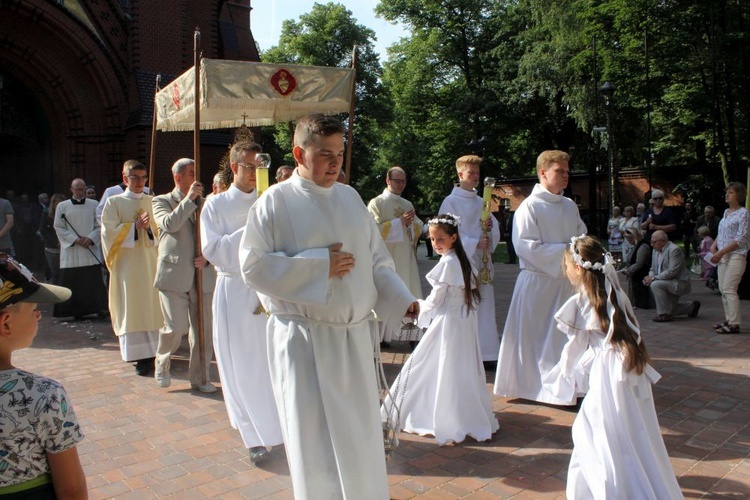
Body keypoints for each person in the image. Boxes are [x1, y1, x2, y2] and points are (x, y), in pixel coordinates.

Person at [239, 113, 419, 499]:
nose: (335, 162)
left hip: (353, 340)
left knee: (360, 438)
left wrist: (403, 301)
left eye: (339, 153)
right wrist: (319, 264)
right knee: (314, 442)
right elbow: (251, 267)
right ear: (298, 153)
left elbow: (376, 261)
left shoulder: (351, 198)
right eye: (324, 154)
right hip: (304, 341)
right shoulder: (274, 202)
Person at [544, 235, 683, 499]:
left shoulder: (582, 300)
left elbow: (575, 347)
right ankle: (616, 482)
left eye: (566, 266)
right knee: (629, 428)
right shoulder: (615, 292)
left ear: (578, 268)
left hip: (610, 374)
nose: (565, 271)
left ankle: (611, 488)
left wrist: (563, 375)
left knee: (596, 429)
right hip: (628, 368)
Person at [381, 213, 499, 445]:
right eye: (432, 239)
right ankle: (461, 412)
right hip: (463, 322)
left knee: (431, 362)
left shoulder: (448, 263)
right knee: (456, 364)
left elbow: (435, 301)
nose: (435, 244)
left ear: (454, 237)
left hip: (448, 322)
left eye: (440, 239)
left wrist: (415, 307)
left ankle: (435, 414)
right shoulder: (463, 261)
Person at [201, 141, 283, 463]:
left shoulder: (271, 200)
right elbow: (215, 250)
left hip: (269, 288)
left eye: (260, 166)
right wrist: (253, 224)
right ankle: (254, 437)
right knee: (243, 366)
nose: (255, 173)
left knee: (271, 362)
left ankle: (279, 429)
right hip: (234, 289)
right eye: (249, 166)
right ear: (234, 167)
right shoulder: (215, 205)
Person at [494, 150, 588, 405]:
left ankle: (565, 386)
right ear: (543, 173)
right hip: (539, 282)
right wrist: (568, 254)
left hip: (567, 283)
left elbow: (582, 238)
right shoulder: (529, 207)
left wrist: (581, 255)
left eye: (567, 171)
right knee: (537, 339)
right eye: (560, 171)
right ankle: (534, 387)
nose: (566, 176)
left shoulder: (570, 206)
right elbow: (525, 246)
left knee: (563, 338)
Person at [0, 254, 88, 499]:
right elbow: (71, 489)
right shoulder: (43, 395)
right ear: (5, 324)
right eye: (35, 310)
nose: (39, 316)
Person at [153, 158, 216, 393]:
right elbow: (170, 224)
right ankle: (162, 361)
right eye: (191, 173)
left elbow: (214, 234)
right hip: (174, 273)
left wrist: (208, 257)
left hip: (202, 274)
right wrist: (189, 200)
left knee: (203, 330)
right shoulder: (161, 201)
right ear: (178, 177)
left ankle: (200, 379)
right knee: (176, 327)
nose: (196, 178)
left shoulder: (207, 203)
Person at [101, 161, 163, 375]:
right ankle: (139, 358)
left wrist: (151, 228)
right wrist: (134, 228)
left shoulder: (152, 201)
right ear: (125, 178)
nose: (139, 181)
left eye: (143, 177)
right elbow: (108, 233)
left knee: (152, 306)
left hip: (150, 263)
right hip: (127, 267)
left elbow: (162, 232)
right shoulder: (114, 203)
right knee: (133, 306)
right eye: (134, 177)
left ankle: (157, 354)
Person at [439, 155, 500, 363]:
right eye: (470, 173)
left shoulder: (482, 201)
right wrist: (474, 242)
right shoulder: (451, 202)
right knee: (465, 306)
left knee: (485, 305)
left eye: (477, 173)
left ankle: (486, 353)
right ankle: (464, 353)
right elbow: (445, 233)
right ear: (460, 174)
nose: (475, 176)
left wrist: (491, 230)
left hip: (483, 263)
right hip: (463, 262)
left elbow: (492, 226)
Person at [367, 166, 424, 344]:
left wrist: (411, 226)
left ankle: (411, 335)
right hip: (386, 257)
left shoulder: (407, 204)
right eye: (397, 180)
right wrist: (398, 222)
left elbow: (417, 227)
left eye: (403, 181)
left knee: (408, 290)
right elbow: (373, 231)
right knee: (386, 293)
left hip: (405, 258)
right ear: (388, 180)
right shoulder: (376, 204)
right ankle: (382, 338)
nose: (400, 184)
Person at [53, 178, 108, 320]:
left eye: (82, 189)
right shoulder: (62, 206)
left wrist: (90, 238)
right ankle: (74, 311)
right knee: (73, 282)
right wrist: (75, 239)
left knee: (92, 282)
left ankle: (98, 308)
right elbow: (58, 226)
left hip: (89, 249)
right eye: (77, 189)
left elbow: (100, 225)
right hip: (72, 251)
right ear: (71, 190)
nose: (80, 192)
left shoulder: (94, 204)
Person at [710, 182, 750, 334]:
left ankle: (734, 324)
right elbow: (722, 233)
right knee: (722, 289)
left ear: (739, 196)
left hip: (736, 255)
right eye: (727, 192)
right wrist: (714, 246)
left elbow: (742, 238)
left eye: (731, 192)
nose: (727, 194)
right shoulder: (726, 212)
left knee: (729, 288)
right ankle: (729, 318)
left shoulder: (744, 214)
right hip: (723, 256)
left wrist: (721, 252)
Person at [644, 230, 700, 322]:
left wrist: (653, 279)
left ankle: (664, 315)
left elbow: (672, 271)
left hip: (677, 282)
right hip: (663, 281)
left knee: (655, 285)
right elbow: (653, 268)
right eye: (651, 242)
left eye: (654, 242)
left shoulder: (674, 250)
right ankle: (691, 307)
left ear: (662, 241)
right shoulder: (655, 250)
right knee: (669, 309)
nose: (651, 244)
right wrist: (649, 277)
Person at [620, 227, 652, 309]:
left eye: (630, 239)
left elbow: (639, 263)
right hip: (634, 274)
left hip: (641, 274)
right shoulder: (636, 245)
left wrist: (629, 270)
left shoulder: (643, 246)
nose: (629, 242)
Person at [38, 193, 65, 284]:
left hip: (65, 247)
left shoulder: (66, 214)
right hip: (51, 248)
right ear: (53, 204)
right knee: (55, 273)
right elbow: (43, 230)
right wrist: (56, 242)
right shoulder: (46, 213)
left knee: (64, 273)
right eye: (57, 203)